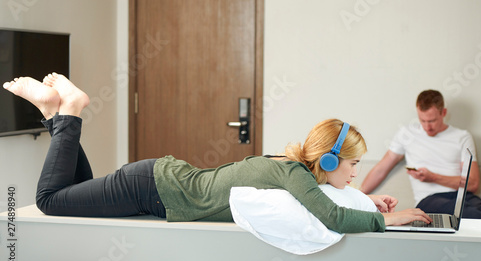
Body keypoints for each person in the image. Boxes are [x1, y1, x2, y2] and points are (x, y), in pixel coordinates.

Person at [3, 73, 432, 233]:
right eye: (354, 164)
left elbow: (326, 198)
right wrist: (387, 218)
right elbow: (331, 215)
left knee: (72, 189)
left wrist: (365, 198)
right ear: (331, 161)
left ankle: (51, 112)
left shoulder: (292, 167)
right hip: (149, 190)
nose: (357, 171)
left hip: (155, 180)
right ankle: (71, 111)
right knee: (50, 202)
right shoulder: (297, 176)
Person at [361, 89, 481, 220]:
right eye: (422, 121)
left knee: (477, 208)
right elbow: (381, 169)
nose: (427, 127)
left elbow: (473, 184)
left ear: (443, 113)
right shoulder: (407, 134)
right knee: (456, 210)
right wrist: (357, 195)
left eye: (432, 121)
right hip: (430, 199)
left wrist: (433, 177)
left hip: (464, 196)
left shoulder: (462, 137)